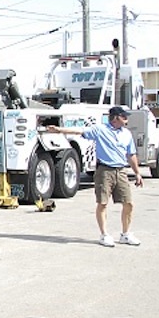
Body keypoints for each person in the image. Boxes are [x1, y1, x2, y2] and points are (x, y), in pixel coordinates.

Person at [47, 106, 144, 247]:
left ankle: (125, 234)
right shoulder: (100, 130)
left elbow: (131, 154)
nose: (126, 119)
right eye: (124, 116)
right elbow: (79, 131)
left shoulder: (127, 134)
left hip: (121, 170)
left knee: (128, 204)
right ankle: (104, 235)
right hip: (104, 171)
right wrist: (58, 130)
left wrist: (137, 173)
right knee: (103, 203)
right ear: (116, 118)